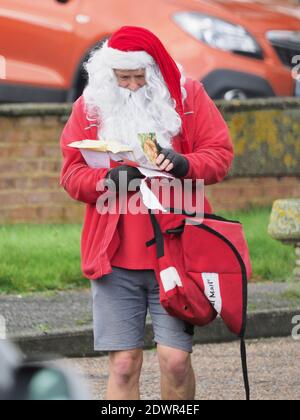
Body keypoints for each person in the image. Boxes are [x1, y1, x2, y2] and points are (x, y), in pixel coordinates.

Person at [60, 26, 234, 400]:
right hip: (115, 256)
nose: (135, 86)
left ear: (154, 71)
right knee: (123, 364)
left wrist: (185, 164)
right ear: (110, 77)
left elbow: (220, 155)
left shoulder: (190, 98)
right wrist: (107, 179)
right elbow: (72, 175)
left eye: (141, 77)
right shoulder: (88, 108)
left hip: (178, 250)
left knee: (175, 361)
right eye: (125, 79)